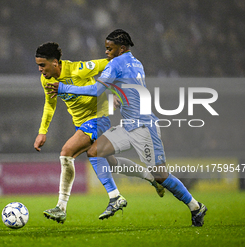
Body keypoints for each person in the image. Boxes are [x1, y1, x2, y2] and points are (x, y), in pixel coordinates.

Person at [46, 29, 208, 227]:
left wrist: (64, 88)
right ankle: (115, 197)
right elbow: (124, 87)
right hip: (128, 125)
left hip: (144, 127)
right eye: (105, 48)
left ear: (121, 48)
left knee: (161, 175)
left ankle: (196, 207)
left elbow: (95, 90)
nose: (106, 52)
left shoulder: (116, 63)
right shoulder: (136, 62)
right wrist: (115, 96)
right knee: (95, 151)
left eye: (109, 48)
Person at [34, 42, 164, 223]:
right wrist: (42, 131)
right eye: (38, 65)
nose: (40, 69)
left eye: (43, 65)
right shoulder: (46, 79)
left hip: (98, 117)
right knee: (112, 163)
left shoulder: (79, 69)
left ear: (55, 62)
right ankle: (152, 177)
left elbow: (110, 63)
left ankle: (63, 207)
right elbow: (50, 104)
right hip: (81, 124)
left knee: (66, 152)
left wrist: (118, 91)